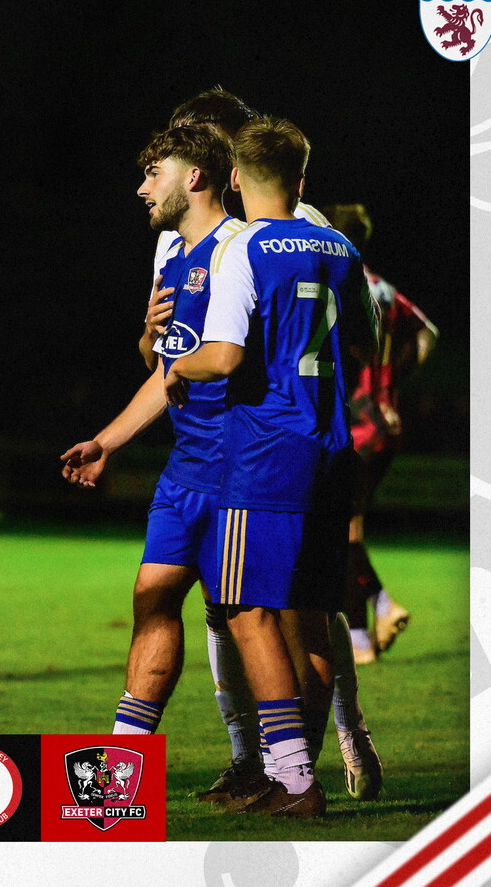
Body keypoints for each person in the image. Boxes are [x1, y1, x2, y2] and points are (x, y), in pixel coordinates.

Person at [124, 88, 381, 804]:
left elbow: (226, 353)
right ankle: (257, 763)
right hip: (218, 451)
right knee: (225, 606)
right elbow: (162, 353)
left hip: (260, 452)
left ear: (231, 161)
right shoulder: (177, 237)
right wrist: (150, 334)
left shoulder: (273, 231)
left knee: (279, 610)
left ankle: (312, 755)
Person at [62, 124, 259, 789]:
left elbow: (223, 362)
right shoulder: (174, 252)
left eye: (155, 172)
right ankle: (118, 774)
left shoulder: (241, 248)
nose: (143, 186)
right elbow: (168, 368)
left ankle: (286, 768)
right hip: (186, 467)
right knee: (154, 596)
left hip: (241, 468)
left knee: (255, 621)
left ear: (195, 177)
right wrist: (107, 441)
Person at [324, 204, 439, 664]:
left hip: (357, 421)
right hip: (387, 419)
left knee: (340, 529)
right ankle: (360, 639)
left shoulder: (343, 283)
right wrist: (392, 381)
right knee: (347, 528)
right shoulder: (386, 288)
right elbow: (428, 334)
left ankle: (380, 608)